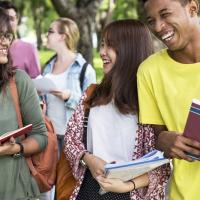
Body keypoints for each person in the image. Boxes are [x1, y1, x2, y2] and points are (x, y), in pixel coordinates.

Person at [64, 19, 170, 200]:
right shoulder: (92, 93)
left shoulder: (152, 100)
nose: (102, 52)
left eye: (110, 46)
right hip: (89, 187)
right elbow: (71, 140)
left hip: (132, 193)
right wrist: (88, 159)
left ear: (130, 50)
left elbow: (164, 164)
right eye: (103, 44)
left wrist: (128, 185)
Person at [137, 0, 200, 199]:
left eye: (165, 14)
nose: (158, 27)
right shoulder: (149, 71)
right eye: (151, 21)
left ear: (192, 8)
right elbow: (159, 136)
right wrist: (162, 140)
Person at [40, 17, 96, 200]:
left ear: (63, 36)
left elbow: (93, 105)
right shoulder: (48, 66)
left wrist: (69, 97)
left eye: (50, 31)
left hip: (72, 138)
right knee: (46, 184)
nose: (46, 35)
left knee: (68, 187)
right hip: (49, 135)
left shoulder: (84, 69)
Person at [0, 8, 48, 200]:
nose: (4, 42)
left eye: (6, 36)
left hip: (14, 190)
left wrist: (17, 148)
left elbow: (40, 135)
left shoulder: (18, 81)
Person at [0, 1, 41, 78]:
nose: (8, 23)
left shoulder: (29, 48)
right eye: (4, 19)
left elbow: (37, 82)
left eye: (11, 19)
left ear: (17, 21)